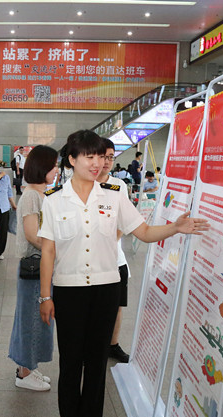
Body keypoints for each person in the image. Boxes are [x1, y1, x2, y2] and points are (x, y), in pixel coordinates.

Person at [39, 130, 209, 417]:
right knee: (71, 363)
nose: (96, 163)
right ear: (72, 159)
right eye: (88, 156)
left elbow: (143, 232)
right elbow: (48, 251)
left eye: (100, 156)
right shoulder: (54, 201)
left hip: (106, 289)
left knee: (96, 361)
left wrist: (175, 227)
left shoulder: (115, 196)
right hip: (69, 291)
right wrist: (45, 298)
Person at [8, 145, 58, 392]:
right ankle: (24, 372)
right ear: (43, 167)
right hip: (34, 266)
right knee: (30, 319)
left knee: (38, 320)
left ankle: (30, 367)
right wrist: (55, 250)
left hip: (43, 266)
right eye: (54, 165)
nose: (57, 170)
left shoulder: (42, 194)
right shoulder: (30, 196)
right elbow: (32, 234)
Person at [97, 138, 131, 364]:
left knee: (117, 306)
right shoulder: (82, 184)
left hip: (115, 258)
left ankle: (113, 345)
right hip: (88, 260)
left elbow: (124, 220)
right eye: (103, 156)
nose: (108, 161)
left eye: (111, 157)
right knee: (93, 308)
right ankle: (91, 347)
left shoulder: (120, 185)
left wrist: (109, 243)